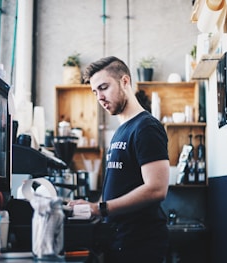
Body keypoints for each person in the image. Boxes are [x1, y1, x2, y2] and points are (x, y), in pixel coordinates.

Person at [68, 56, 170, 263]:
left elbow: (157, 189)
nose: (100, 97)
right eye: (95, 92)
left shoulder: (146, 127)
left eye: (104, 87)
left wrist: (101, 208)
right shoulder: (121, 131)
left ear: (125, 82)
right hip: (120, 240)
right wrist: (93, 207)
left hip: (141, 245)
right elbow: (119, 185)